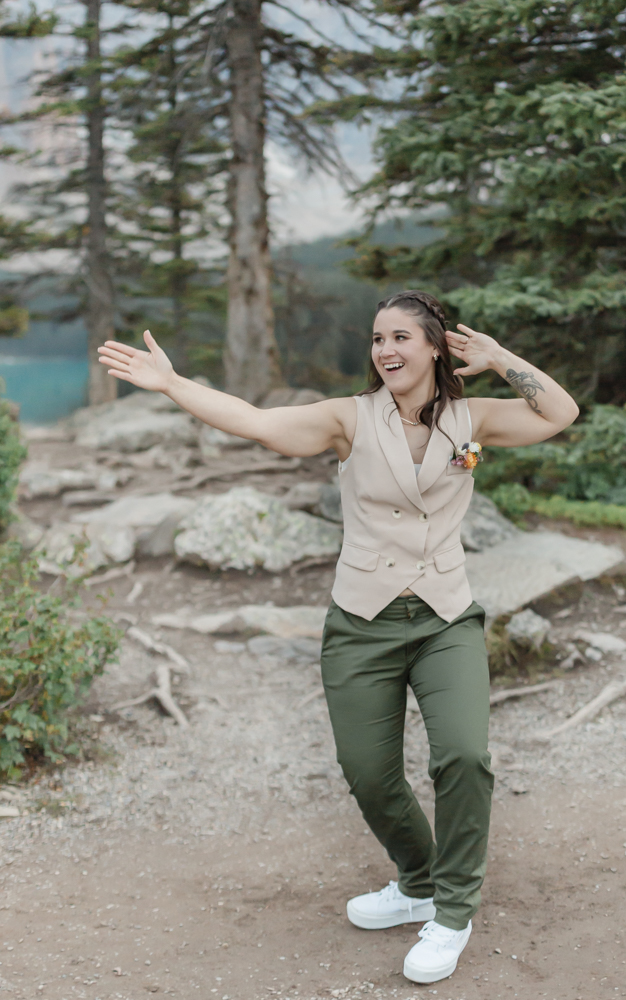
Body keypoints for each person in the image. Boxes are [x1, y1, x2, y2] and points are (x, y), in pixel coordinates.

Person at [97, 290, 579, 985]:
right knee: (368, 775)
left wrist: (501, 359)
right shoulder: (347, 420)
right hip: (361, 624)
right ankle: (416, 881)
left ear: (436, 346)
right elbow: (258, 424)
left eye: (402, 338)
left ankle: (452, 910)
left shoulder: (471, 419)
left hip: (444, 615)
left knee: (465, 757)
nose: (385, 350)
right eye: (378, 338)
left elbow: (559, 413)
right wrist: (173, 385)